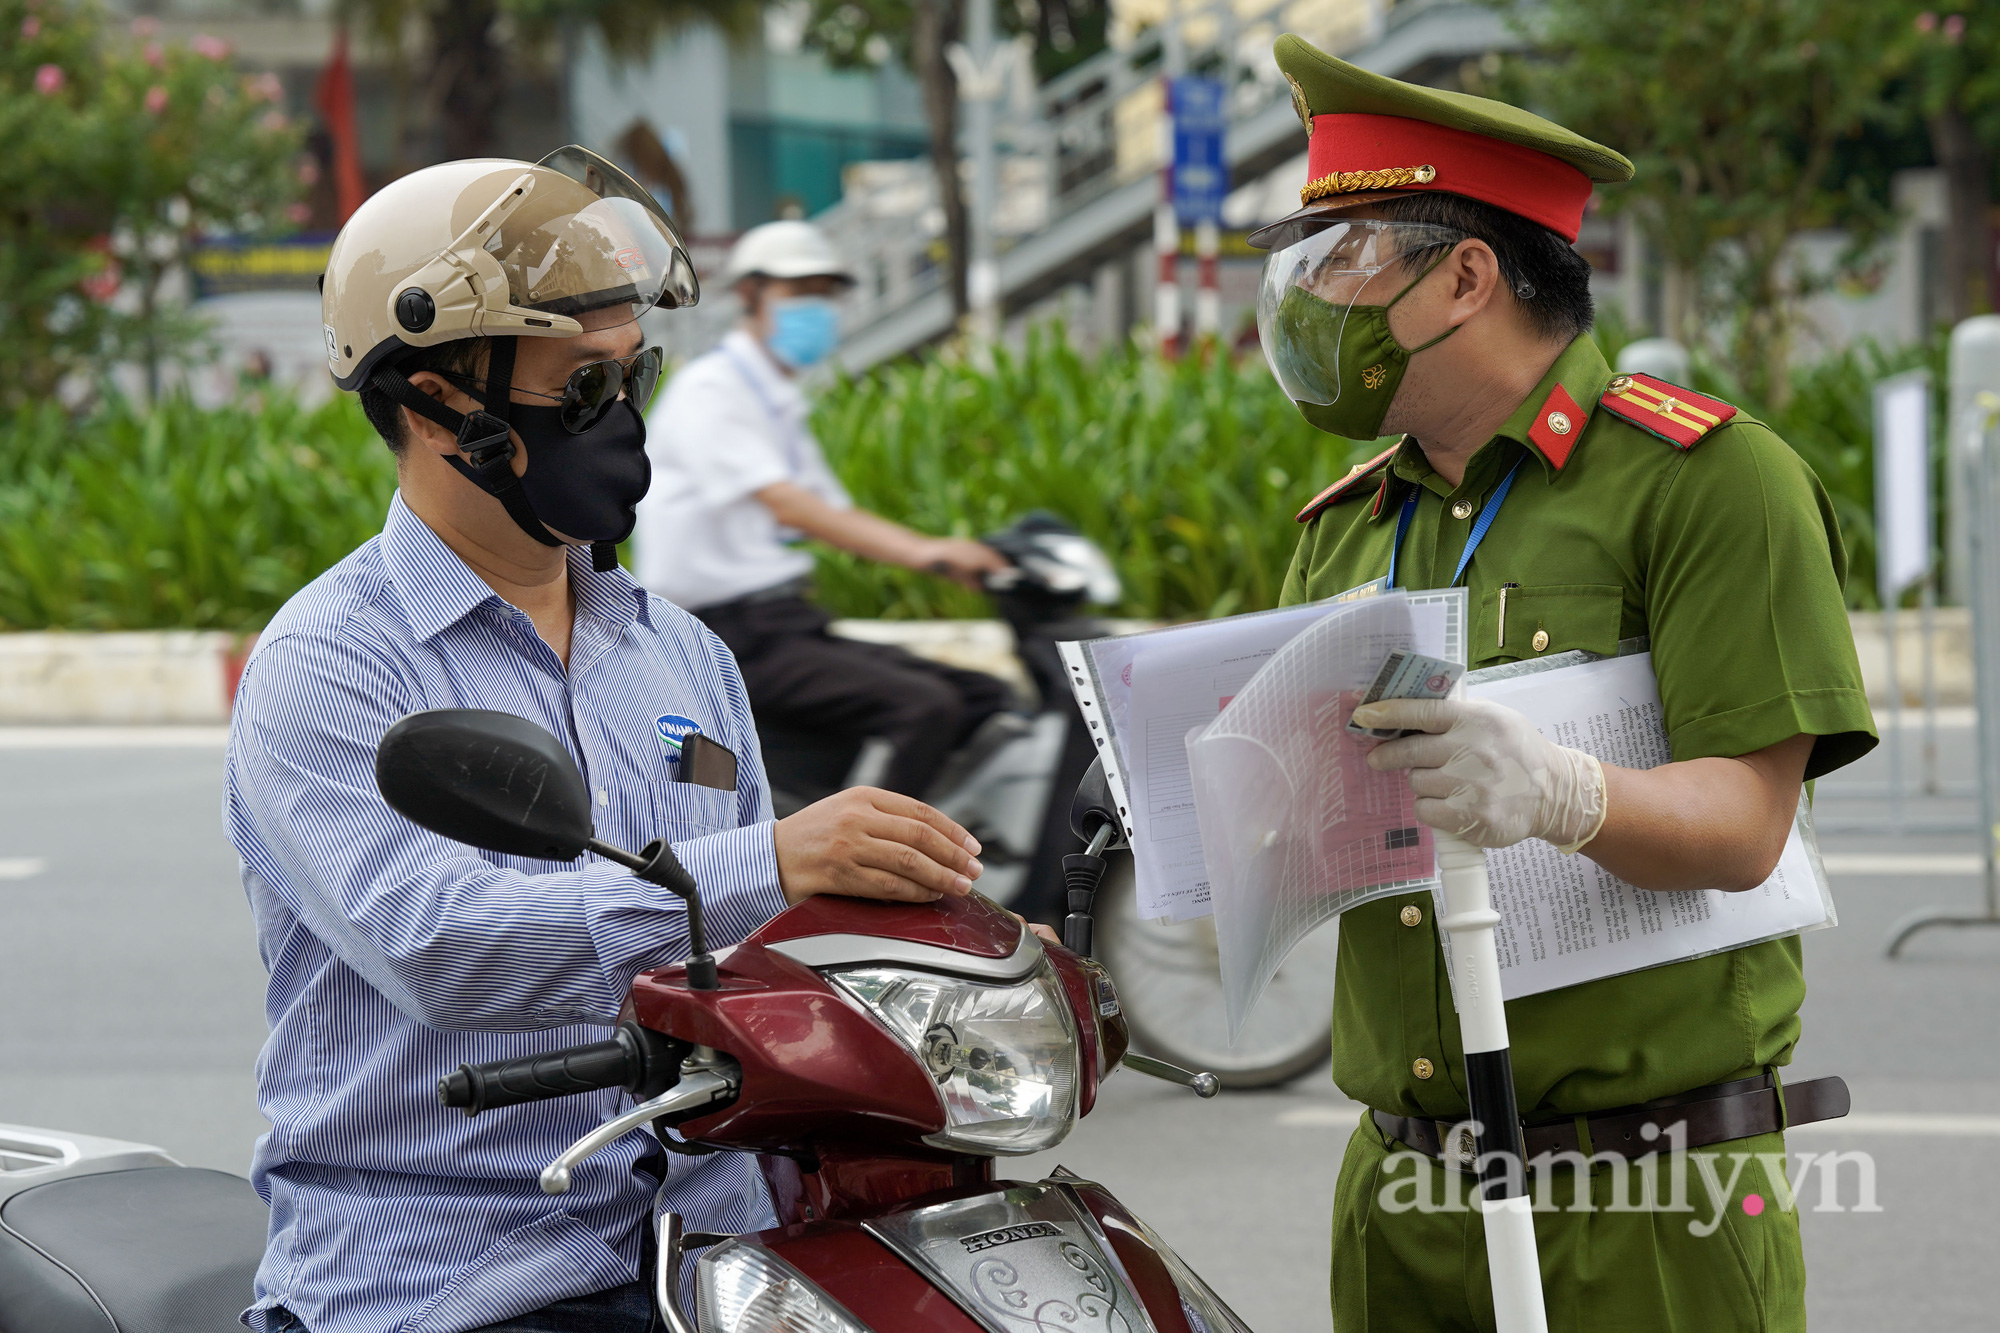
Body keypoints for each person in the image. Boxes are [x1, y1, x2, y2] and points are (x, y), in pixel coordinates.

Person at [226, 149, 992, 1333]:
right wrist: (775, 859)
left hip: (716, 1250)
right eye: (583, 388)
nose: (626, 419)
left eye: (635, 375)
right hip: (455, 1273)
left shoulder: (679, 653)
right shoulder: (331, 662)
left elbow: (758, 944)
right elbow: (441, 948)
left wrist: (956, 949)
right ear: (437, 404)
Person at [1249, 41, 1878, 1332]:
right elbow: (1305, 831)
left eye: (1345, 255)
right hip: (1402, 1199)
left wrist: (1558, 791)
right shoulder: (1347, 527)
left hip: (1647, 1204)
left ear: (1464, 277)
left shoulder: (1708, 484)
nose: (1314, 294)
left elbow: (1749, 827)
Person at [634, 220, 1015, 799]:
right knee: (926, 708)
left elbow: (834, 511)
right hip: (726, 636)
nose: (817, 307)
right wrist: (926, 552)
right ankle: (879, 873)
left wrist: (956, 557)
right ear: (752, 296)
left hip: (785, 623)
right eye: (799, 292)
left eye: (825, 293)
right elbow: (790, 505)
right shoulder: (713, 391)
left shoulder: (773, 399)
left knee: (983, 695)